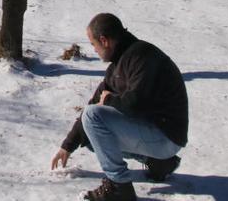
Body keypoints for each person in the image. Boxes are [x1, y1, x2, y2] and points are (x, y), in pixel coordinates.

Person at [50, 13, 189, 201]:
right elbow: (93, 103)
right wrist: (67, 146)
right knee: (92, 136)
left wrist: (109, 101)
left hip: (167, 135)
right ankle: (158, 163)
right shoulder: (117, 65)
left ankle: (119, 186)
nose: (95, 51)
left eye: (93, 45)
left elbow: (137, 104)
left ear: (104, 41)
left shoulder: (142, 56)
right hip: (155, 136)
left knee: (94, 118)